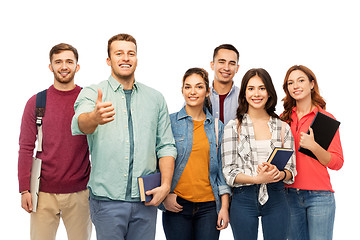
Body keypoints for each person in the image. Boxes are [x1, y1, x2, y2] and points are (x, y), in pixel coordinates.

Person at [71, 33, 177, 240]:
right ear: (109, 60)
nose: (125, 58)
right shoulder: (93, 92)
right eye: (119, 53)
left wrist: (165, 186)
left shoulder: (155, 98)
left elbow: (165, 146)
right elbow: (80, 123)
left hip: (146, 201)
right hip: (107, 202)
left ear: (137, 59)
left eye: (131, 53)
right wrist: (94, 116)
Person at [18, 43, 91, 240]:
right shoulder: (36, 102)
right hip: (42, 193)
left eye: (69, 61)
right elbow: (26, 147)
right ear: (50, 66)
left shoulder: (87, 100)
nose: (64, 66)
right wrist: (24, 189)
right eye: (58, 62)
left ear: (77, 66)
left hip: (81, 193)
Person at [222, 68, 297, 240]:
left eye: (262, 88)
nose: (257, 93)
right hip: (244, 198)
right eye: (251, 88)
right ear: (244, 94)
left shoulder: (282, 127)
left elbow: (291, 170)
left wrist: (279, 174)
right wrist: (257, 179)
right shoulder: (233, 127)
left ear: (269, 93)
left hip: (277, 196)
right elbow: (228, 172)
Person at [160, 68, 231, 240]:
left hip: (209, 206)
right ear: (182, 90)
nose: (192, 92)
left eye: (199, 87)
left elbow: (222, 171)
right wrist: (165, 196)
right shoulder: (169, 122)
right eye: (188, 87)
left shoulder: (217, 126)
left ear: (207, 91)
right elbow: (158, 161)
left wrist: (224, 207)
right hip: (177, 204)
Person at [281, 65, 344, 240]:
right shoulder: (283, 119)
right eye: (290, 83)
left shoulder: (325, 118)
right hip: (289, 194)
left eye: (301, 80)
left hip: (320, 196)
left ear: (311, 84)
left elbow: (337, 162)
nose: (296, 86)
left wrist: (313, 146)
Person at [209, 44, 240, 125]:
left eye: (232, 63)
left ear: (237, 68)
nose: (226, 68)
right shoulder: (200, 96)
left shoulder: (244, 97)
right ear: (212, 65)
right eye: (221, 62)